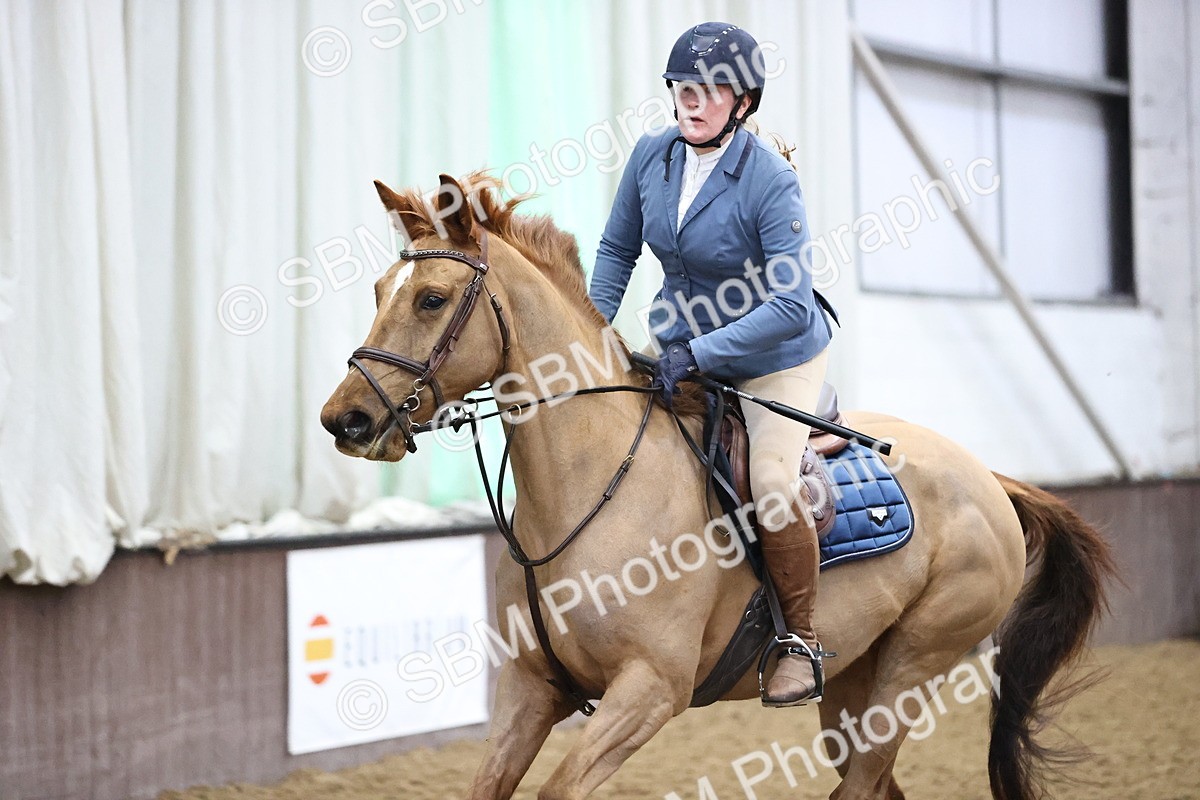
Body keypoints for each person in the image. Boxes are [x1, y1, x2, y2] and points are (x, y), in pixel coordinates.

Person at [588, 22, 836, 706]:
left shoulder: (770, 180)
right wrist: (589, 334)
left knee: (773, 484)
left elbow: (790, 305)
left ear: (744, 102)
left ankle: (800, 639)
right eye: (684, 88)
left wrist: (697, 354)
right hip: (679, 347)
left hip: (772, 356)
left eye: (711, 91)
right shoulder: (652, 155)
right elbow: (616, 252)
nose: (693, 102)